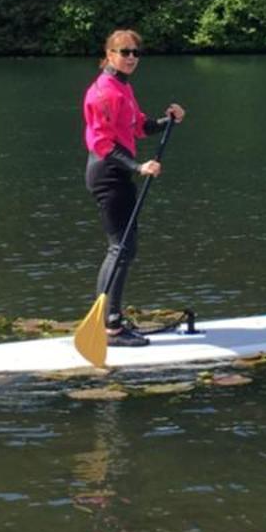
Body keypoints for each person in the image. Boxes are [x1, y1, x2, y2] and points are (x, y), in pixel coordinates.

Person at [83, 29, 186, 346]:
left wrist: (167, 120)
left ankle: (109, 319)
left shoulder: (122, 87)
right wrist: (138, 167)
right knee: (121, 247)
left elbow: (139, 127)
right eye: (124, 52)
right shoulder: (103, 92)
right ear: (109, 54)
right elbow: (102, 144)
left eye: (135, 53)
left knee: (124, 247)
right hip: (107, 173)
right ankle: (110, 326)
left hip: (118, 172)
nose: (130, 58)